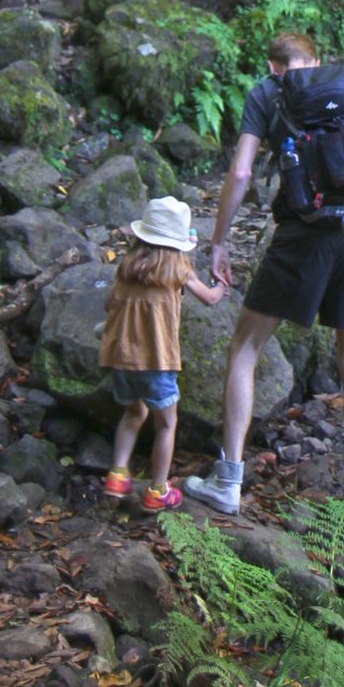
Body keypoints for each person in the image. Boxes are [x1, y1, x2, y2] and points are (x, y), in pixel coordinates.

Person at [184, 31, 344, 519]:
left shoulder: (267, 93)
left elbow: (241, 174)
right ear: (317, 58)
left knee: (245, 347)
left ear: (272, 66)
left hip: (300, 234)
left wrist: (218, 241)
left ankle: (228, 481)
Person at [100, 195, 228, 512]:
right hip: (157, 363)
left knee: (133, 413)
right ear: (178, 243)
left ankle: (117, 475)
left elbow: (108, 304)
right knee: (166, 425)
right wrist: (222, 285)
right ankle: (158, 490)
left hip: (122, 360)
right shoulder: (179, 270)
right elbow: (210, 299)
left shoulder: (127, 268)